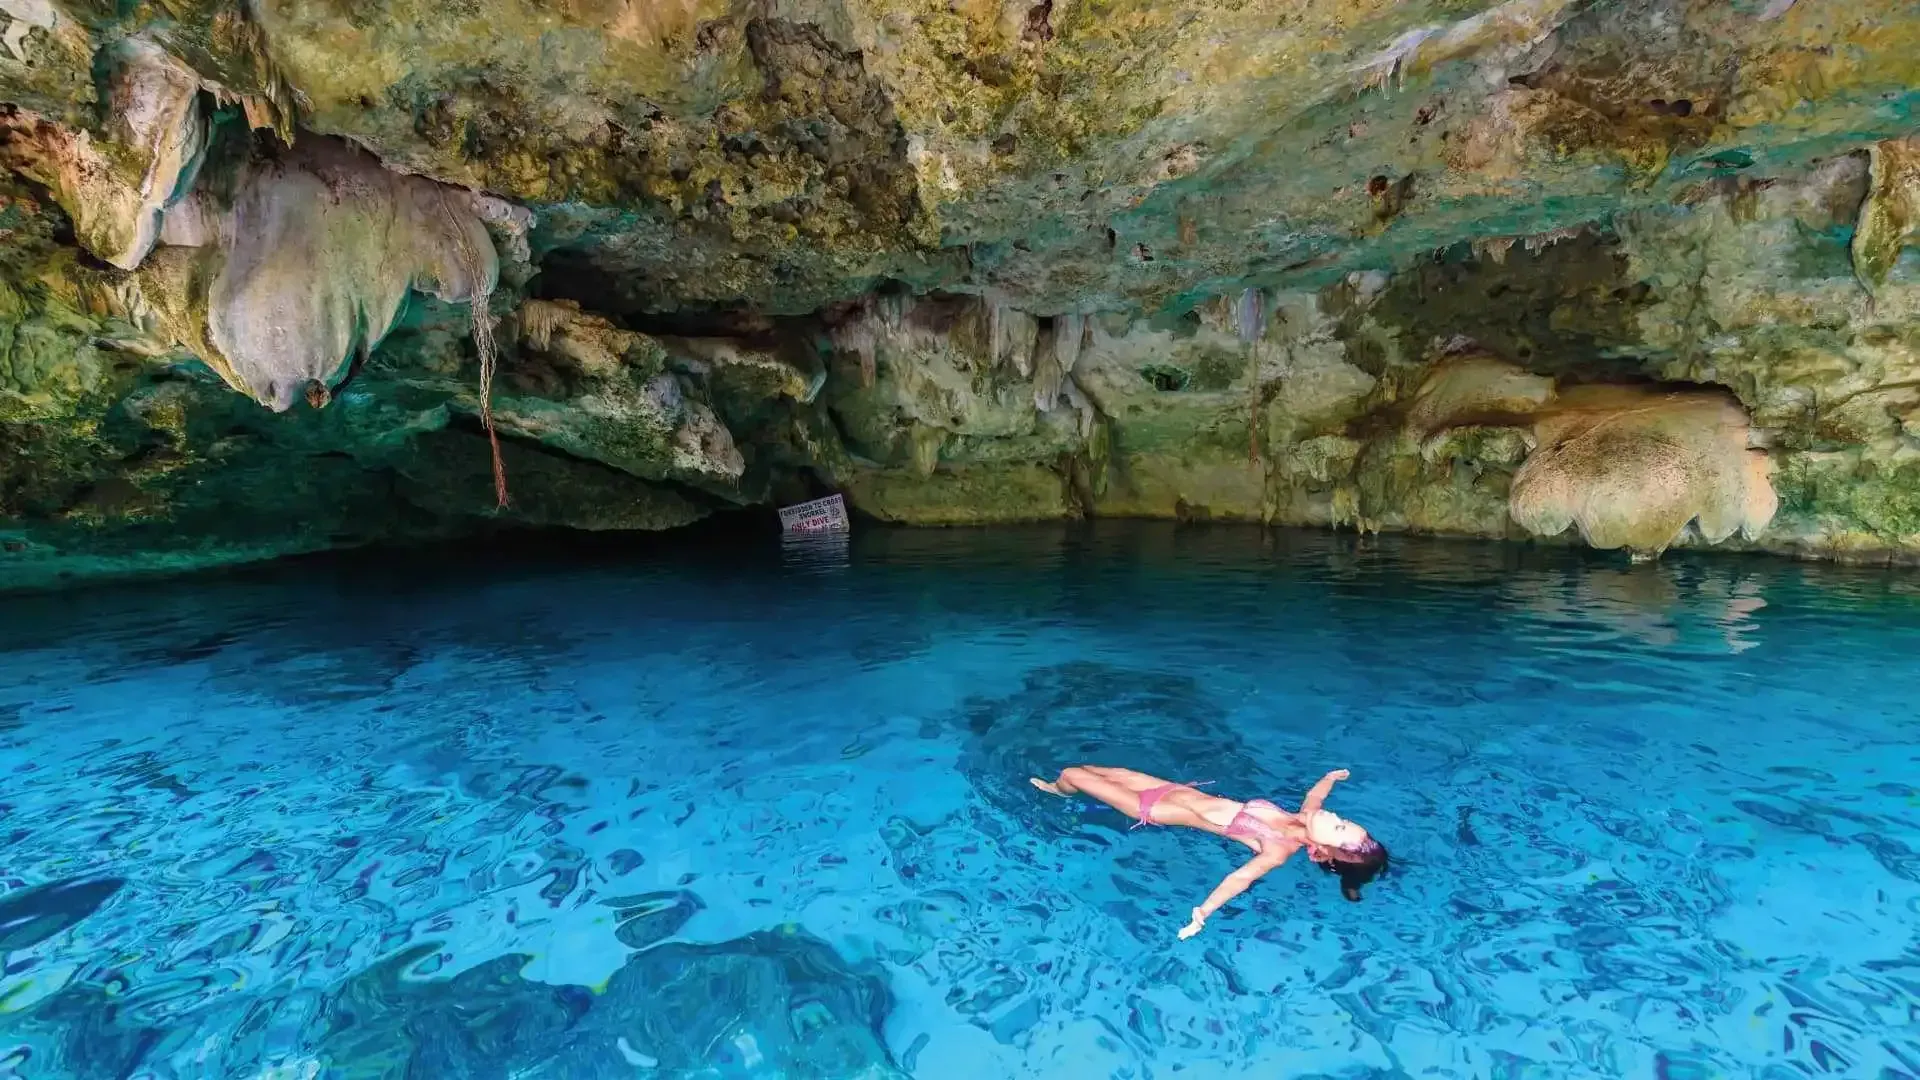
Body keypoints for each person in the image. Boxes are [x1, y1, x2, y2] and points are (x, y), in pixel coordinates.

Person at [1029, 765, 1388, 938]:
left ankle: (1059, 792)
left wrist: (1203, 912)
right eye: (1344, 819)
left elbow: (1241, 877)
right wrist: (1331, 777)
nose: (1336, 816)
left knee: (1072, 774)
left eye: (1339, 826)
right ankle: (1063, 788)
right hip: (1167, 788)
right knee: (1094, 769)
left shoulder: (1277, 848)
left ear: (1326, 850)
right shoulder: (1305, 817)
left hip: (1150, 808)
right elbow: (1316, 797)